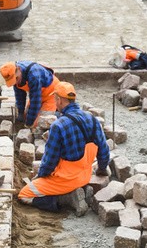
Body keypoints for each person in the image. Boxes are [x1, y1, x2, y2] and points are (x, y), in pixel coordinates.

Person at [18, 82, 110, 215]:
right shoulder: (92, 119)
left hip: (65, 181)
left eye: (55, 99)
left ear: (59, 100)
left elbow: (50, 161)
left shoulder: (58, 126)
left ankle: (65, 199)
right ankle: (78, 191)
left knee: (24, 194)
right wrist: (101, 169)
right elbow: (104, 150)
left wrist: (40, 177)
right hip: (85, 176)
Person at [0, 60, 61, 129]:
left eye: (16, 78)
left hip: (51, 93)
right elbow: (20, 96)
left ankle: (59, 115)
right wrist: (21, 112)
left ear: (19, 69)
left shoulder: (33, 75)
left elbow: (35, 102)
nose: (16, 81)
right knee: (26, 115)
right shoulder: (16, 74)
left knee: (39, 124)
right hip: (37, 92)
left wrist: (29, 124)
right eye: (14, 80)